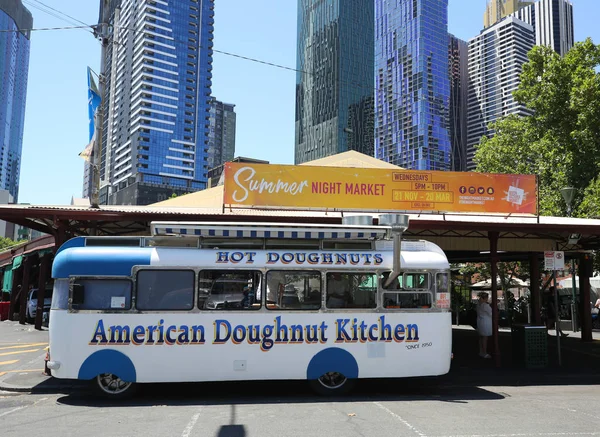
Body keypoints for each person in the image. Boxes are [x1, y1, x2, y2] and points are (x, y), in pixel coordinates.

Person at [476, 292, 492, 359]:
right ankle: (484, 353)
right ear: (485, 298)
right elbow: (491, 313)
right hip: (486, 322)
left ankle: (481, 351)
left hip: (480, 321)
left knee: (481, 337)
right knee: (485, 338)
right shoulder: (485, 305)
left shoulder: (478, 305)